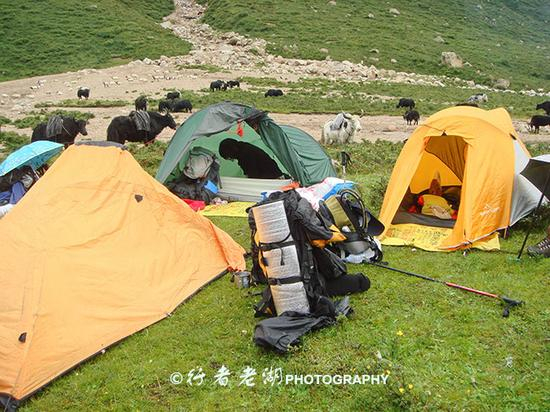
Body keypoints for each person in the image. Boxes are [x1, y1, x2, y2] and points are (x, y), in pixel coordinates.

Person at [218, 139, 283, 179]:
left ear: (231, 152)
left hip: (272, 178)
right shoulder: (244, 147)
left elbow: (253, 175)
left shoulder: (245, 155)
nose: (232, 159)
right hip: (274, 173)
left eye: (229, 157)